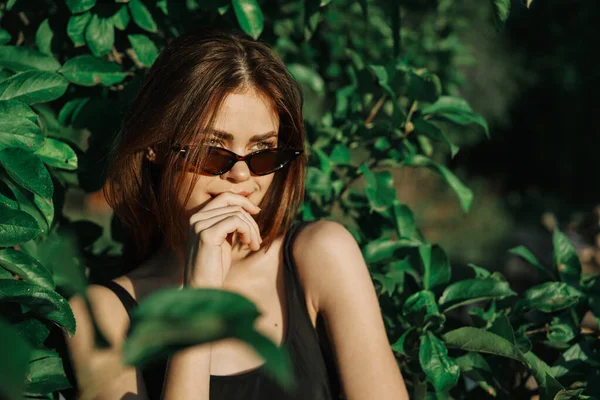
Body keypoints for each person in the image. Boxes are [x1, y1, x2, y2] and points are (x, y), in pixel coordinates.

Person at [64, 27, 408, 400]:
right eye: (214, 150)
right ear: (155, 146)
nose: (242, 175)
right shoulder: (98, 316)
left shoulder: (321, 256)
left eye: (264, 153)